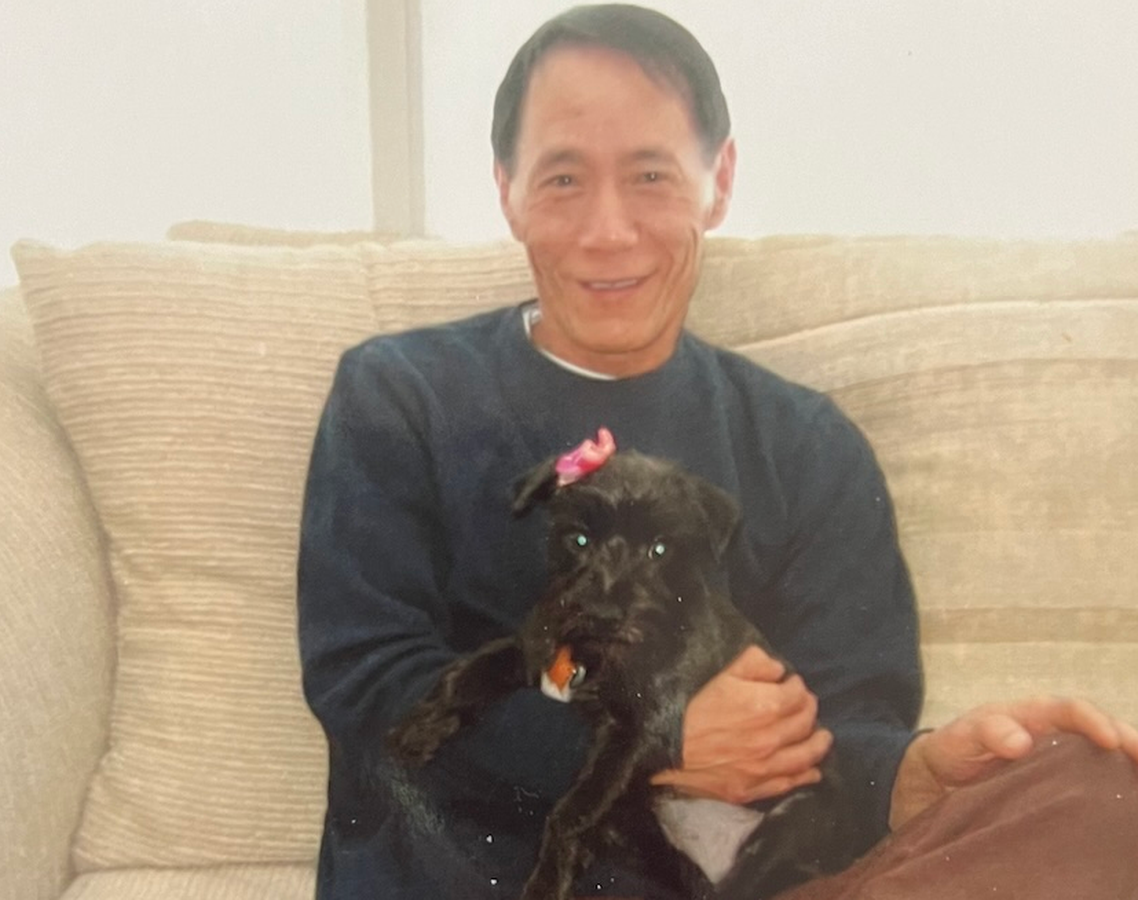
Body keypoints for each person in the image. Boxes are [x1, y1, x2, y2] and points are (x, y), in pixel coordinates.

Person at [297, 5, 1138, 899]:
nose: (609, 230)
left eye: (650, 175)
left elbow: (845, 735)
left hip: (753, 882)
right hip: (485, 882)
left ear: (719, 180)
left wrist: (911, 778)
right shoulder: (402, 396)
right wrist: (659, 738)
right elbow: (367, 689)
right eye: (564, 179)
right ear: (508, 190)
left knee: (1100, 788)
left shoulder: (806, 445)